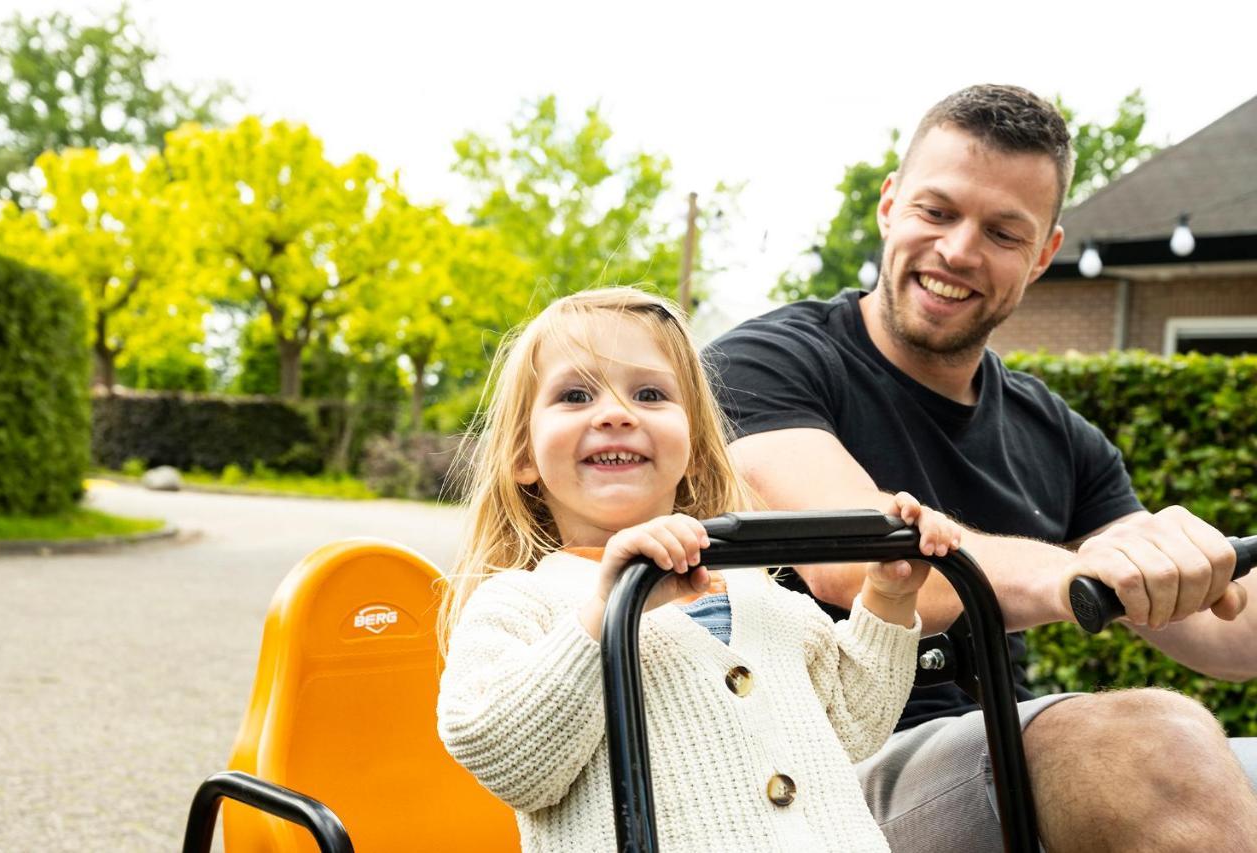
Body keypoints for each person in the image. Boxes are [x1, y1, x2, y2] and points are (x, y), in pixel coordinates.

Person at [705, 83, 1257, 852]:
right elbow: (857, 565)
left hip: (989, 749)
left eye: (1003, 232)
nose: (959, 250)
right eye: (937, 211)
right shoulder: (765, 365)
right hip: (807, 772)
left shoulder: (1058, 434)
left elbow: (1232, 633)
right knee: (1158, 747)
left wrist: (1187, 567)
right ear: (890, 205)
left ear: (1043, 256)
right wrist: (1082, 572)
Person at [435, 287, 961, 852]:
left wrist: (887, 596)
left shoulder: (761, 593)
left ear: (692, 448)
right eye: (576, 394)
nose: (616, 413)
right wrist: (603, 616)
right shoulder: (520, 604)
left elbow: (851, 727)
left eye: (650, 393)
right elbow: (510, 762)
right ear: (523, 455)